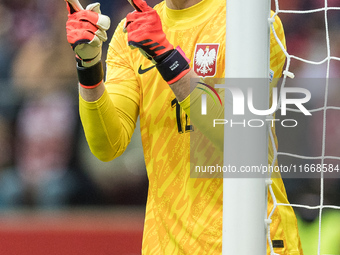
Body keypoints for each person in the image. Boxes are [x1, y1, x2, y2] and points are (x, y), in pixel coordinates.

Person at [65, 0, 303, 254]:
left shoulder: (252, 24)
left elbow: (240, 139)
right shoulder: (130, 33)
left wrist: (167, 57)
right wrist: (88, 66)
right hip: (167, 244)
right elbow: (107, 146)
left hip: (254, 240)